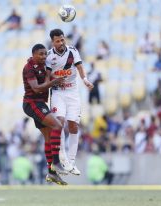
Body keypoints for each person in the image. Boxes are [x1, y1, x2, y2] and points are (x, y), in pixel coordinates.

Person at [46, 29, 94, 175]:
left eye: (62, 39)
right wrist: (54, 81)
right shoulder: (49, 56)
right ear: (52, 42)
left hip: (72, 91)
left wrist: (85, 79)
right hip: (57, 92)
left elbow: (79, 67)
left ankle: (72, 162)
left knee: (73, 125)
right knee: (59, 122)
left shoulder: (73, 51)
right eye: (57, 40)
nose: (61, 43)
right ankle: (63, 158)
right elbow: (47, 76)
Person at [22, 43, 68, 185]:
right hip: (32, 103)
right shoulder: (29, 68)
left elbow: (48, 78)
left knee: (49, 137)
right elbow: (36, 88)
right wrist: (53, 82)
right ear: (34, 54)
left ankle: (51, 173)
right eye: (40, 54)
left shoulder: (44, 65)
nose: (43, 56)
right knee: (57, 125)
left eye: (44, 54)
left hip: (40, 104)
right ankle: (56, 162)